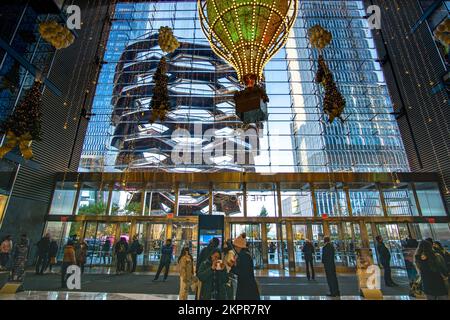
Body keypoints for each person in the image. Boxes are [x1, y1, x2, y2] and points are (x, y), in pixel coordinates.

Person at [231, 235, 260, 300]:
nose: (235, 248)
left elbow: (242, 272)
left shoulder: (243, 256)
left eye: (236, 246)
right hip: (248, 286)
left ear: (239, 246)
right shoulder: (245, 255)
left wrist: (232, 267)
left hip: (245, 287)